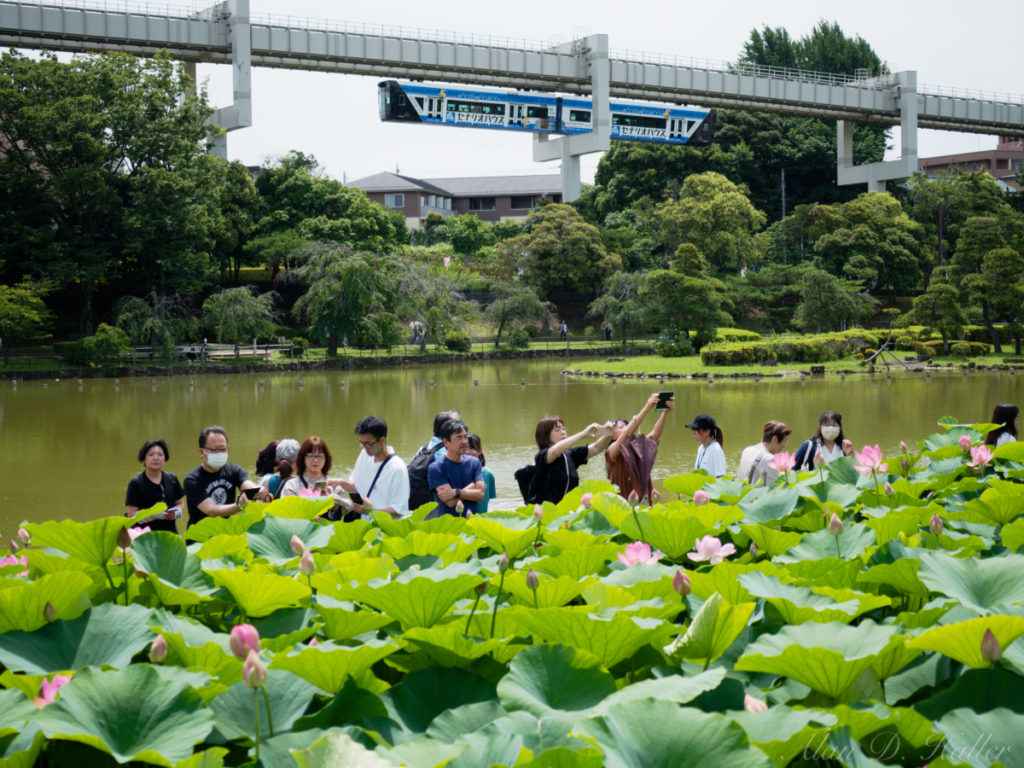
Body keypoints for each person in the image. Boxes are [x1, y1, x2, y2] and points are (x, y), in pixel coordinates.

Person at [183, 426, 265, 530]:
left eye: (223, 449)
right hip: (200, 539)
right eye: (214, 450)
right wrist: (239, 506)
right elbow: (211, 510)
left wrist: (257, 491)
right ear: (201, 452)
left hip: (226, 535)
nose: (219, 453)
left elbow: (246, 485)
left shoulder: (233, 470)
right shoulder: (192, 479)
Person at [606, 392, 674, 503]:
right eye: (621, 427)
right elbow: (627, 433)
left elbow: (656, 433)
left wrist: (665, 412)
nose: (627, 428)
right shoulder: (611, 452)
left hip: (645, 503)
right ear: (612, 435)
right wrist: (647, 407)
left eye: (627, 425)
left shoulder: (638, 448)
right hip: (624, 506)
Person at [338, 415, 410, 519]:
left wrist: (371, 512)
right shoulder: (364, 455)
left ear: (382, 440)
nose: (365, 447)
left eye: (368, 443)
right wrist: (339, 483)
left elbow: (398, 510)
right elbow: (356, 486)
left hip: (385, 529)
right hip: (365, 524)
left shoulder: (397, 468)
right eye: (361, 443)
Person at [533, 415, 613, 504]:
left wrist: (608, 433)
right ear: (545, 436)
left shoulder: (569, 455)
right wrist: (583, 434)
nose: (563, 432)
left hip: (569, 512)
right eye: (557, 430)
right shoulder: (542, 456)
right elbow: (554, 452)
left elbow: (596, 448)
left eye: (563, 429)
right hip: (547, 513)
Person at [427, 419, 485, 518]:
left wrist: (456, 492)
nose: (464, 442)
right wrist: (471, 486)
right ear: (446, 442)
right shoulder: (436, 468)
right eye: (458, 438)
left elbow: (480, 494)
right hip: (449, 527)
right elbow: (451, 502)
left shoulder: (474, 463)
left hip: (473, 523)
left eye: (465, 437)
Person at [125, 439, 184, 534]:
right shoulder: (136, 483)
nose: (156, 458)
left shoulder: (172, 479)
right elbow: (131, 514)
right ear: (144, 459)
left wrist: (175, 513)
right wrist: (154, 515)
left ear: (165, 458)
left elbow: (180, 503)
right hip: (144, 535)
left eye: (160, 454)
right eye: (151, 455)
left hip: (169, 533)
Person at [408, 409, 460, 511]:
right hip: (437, 506)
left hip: (421, 506)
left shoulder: (424, 448)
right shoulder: (444, 453)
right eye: (457, 425)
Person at [737, 421, 792, 486]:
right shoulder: (770, 459)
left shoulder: (747, 451)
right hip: (757, 495)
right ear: (775, 439)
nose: (784, 446)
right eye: (784, 441)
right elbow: (773, 490)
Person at [687, 414, 726, 479]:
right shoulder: (700, 448)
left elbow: (721, 477)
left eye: (696, 429)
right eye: (693, 430)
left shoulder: (716, 450)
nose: (693, 433)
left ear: (707, 432)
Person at [466, 433, 496, 515]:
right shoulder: (457, 473)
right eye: (465, 448)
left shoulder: (488, 474)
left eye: (472, 448)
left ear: (480, 450)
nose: (468, 452)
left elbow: (487, 500)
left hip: (481, 520)